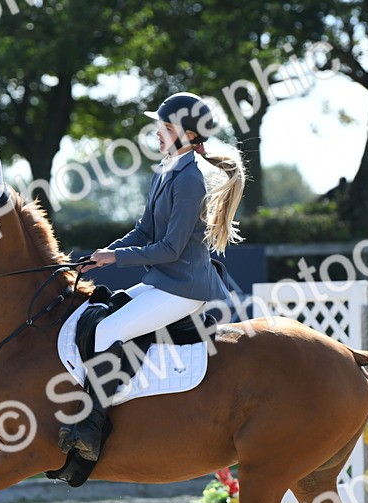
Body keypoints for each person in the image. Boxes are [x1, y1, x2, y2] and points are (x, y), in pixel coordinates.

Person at [59, 92, 245, 461]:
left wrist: (116, 257)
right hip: (162, 282)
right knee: (103, 315)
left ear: (186, 134)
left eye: (165, 127)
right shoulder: (165, 170)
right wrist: (102, 256)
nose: (158, 132)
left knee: (108, 331)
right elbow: (144, 230)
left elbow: (170, 249)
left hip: (184, 288)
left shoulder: (190, 180)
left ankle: (91, 428)